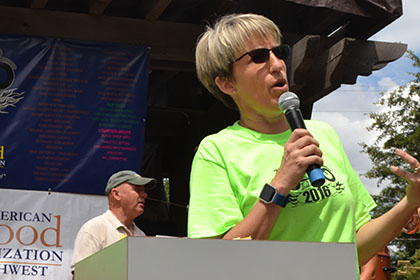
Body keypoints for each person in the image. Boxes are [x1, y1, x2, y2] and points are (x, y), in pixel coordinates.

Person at [187, 12, 420, 272]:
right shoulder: (217, 151)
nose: (277, 64)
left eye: (279, 52)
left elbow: (355, 249)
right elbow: (216, 263)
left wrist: (410, 201)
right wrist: (281, 183)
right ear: (227, 83)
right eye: (259, 57)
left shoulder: (323, 133)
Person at [71, 170, 156, 272]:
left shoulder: (141, 235)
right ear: (116, 194)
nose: (144, 195)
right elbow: (81, 275)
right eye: (137, 189)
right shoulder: (94, 229)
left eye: (144, 191)